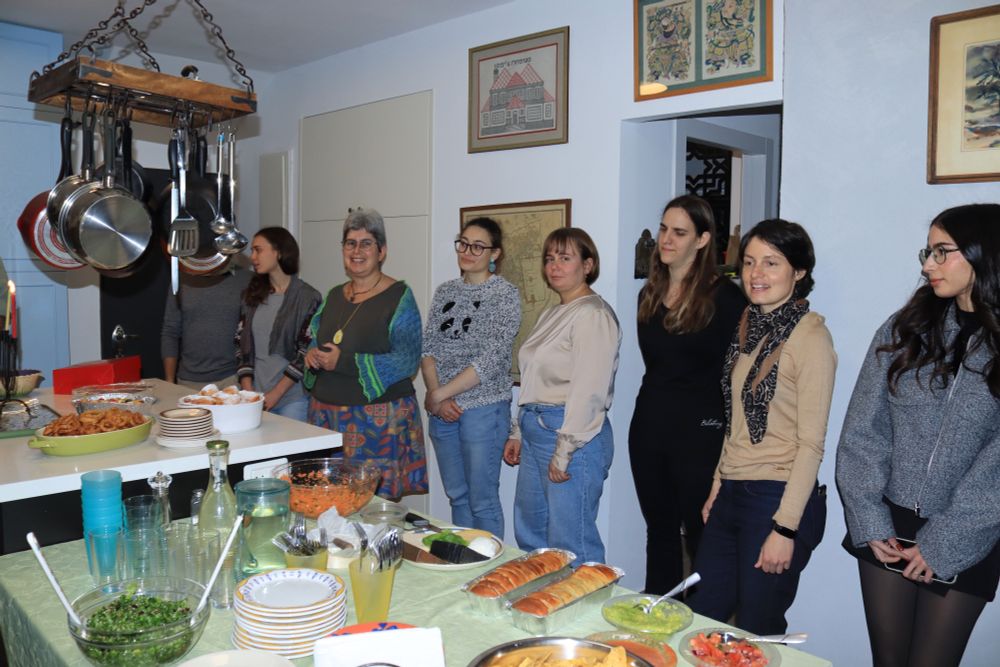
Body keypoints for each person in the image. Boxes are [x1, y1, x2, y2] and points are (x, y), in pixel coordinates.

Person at [836, 204, 1000, 667]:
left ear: (982, 254)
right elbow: (862, 430)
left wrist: (944, 541)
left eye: (942, 251)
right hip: (887, 526)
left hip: (968, 531)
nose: (928, 264)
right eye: (927, 251)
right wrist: (869, 520)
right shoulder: (905, 328)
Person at [687, 219, 835, 636]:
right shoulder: (747, 326)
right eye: (750, 262)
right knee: (703, 620)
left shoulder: (811, 339)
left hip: (777, 498)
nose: (756, 274)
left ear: (799, 272)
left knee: (759, 629)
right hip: (734, 489)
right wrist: (719, 483)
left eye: (771, 263)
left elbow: (811, 444)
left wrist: (785, 528)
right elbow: (734, 421)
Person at [629, 195, 746, 594]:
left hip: (700, 431)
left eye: (679, 232)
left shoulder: (727, 298)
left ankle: (703, 628)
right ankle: (654, 616)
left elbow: (738, 377)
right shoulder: (648, 294)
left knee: (701, 534)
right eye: (664, 229)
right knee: (658, 530)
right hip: (649, 426)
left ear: (702, 240)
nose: (666, 239)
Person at [503, 228, 621, 565]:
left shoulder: (593, 314)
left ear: (587, 265)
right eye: (549, 258)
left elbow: (589, 390)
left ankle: (586, 616)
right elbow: (531, 378)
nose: (554, 266)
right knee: (532, 535)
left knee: (573, 543)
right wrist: (518, 432)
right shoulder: (553, 312)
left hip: (572, 434)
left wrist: (565, 450)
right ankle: (539, 611)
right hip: (535, 428)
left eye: (565, 258)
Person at [302, 208, 427, 500]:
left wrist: (342, 361)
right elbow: (314, 339)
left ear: (381, 251)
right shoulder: (333, 295)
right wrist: (312, 356)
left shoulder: (399, 297)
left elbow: (407, 360)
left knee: (372, 511)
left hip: (376, 426)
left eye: (366, 243)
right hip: (326, 422)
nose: (357, 250)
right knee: (327, 505)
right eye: (350, 243)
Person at [421, 217, 520, 538]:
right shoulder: (445, 291)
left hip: (484, 409)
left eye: (478, 246)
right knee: (458, 496)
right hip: (443, 412)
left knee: (482, 501)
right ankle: (462, 566)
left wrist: (439, 395)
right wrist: (438, 395)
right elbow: (428, 350)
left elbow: (490, 359)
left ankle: (490, 574)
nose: (468, 251)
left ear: (495, 253)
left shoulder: (504, 294)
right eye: (463, 243)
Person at [235, 227, 321, 421]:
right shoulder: (251, 295)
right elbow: (241, 345)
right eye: (252, 251)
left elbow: (305, 352)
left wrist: (275, 394)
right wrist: (249, 393)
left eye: (258, 250)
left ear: (279, 252)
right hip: (253, 397)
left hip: (292, 400)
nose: (253, 257)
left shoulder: (308, 297)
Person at [161, 264, 251, 389]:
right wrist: (169, 381)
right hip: (187, 381)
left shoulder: (244, 278)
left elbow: (249, 333)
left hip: (231, 379)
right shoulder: (180, 279)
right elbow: (170, 330)